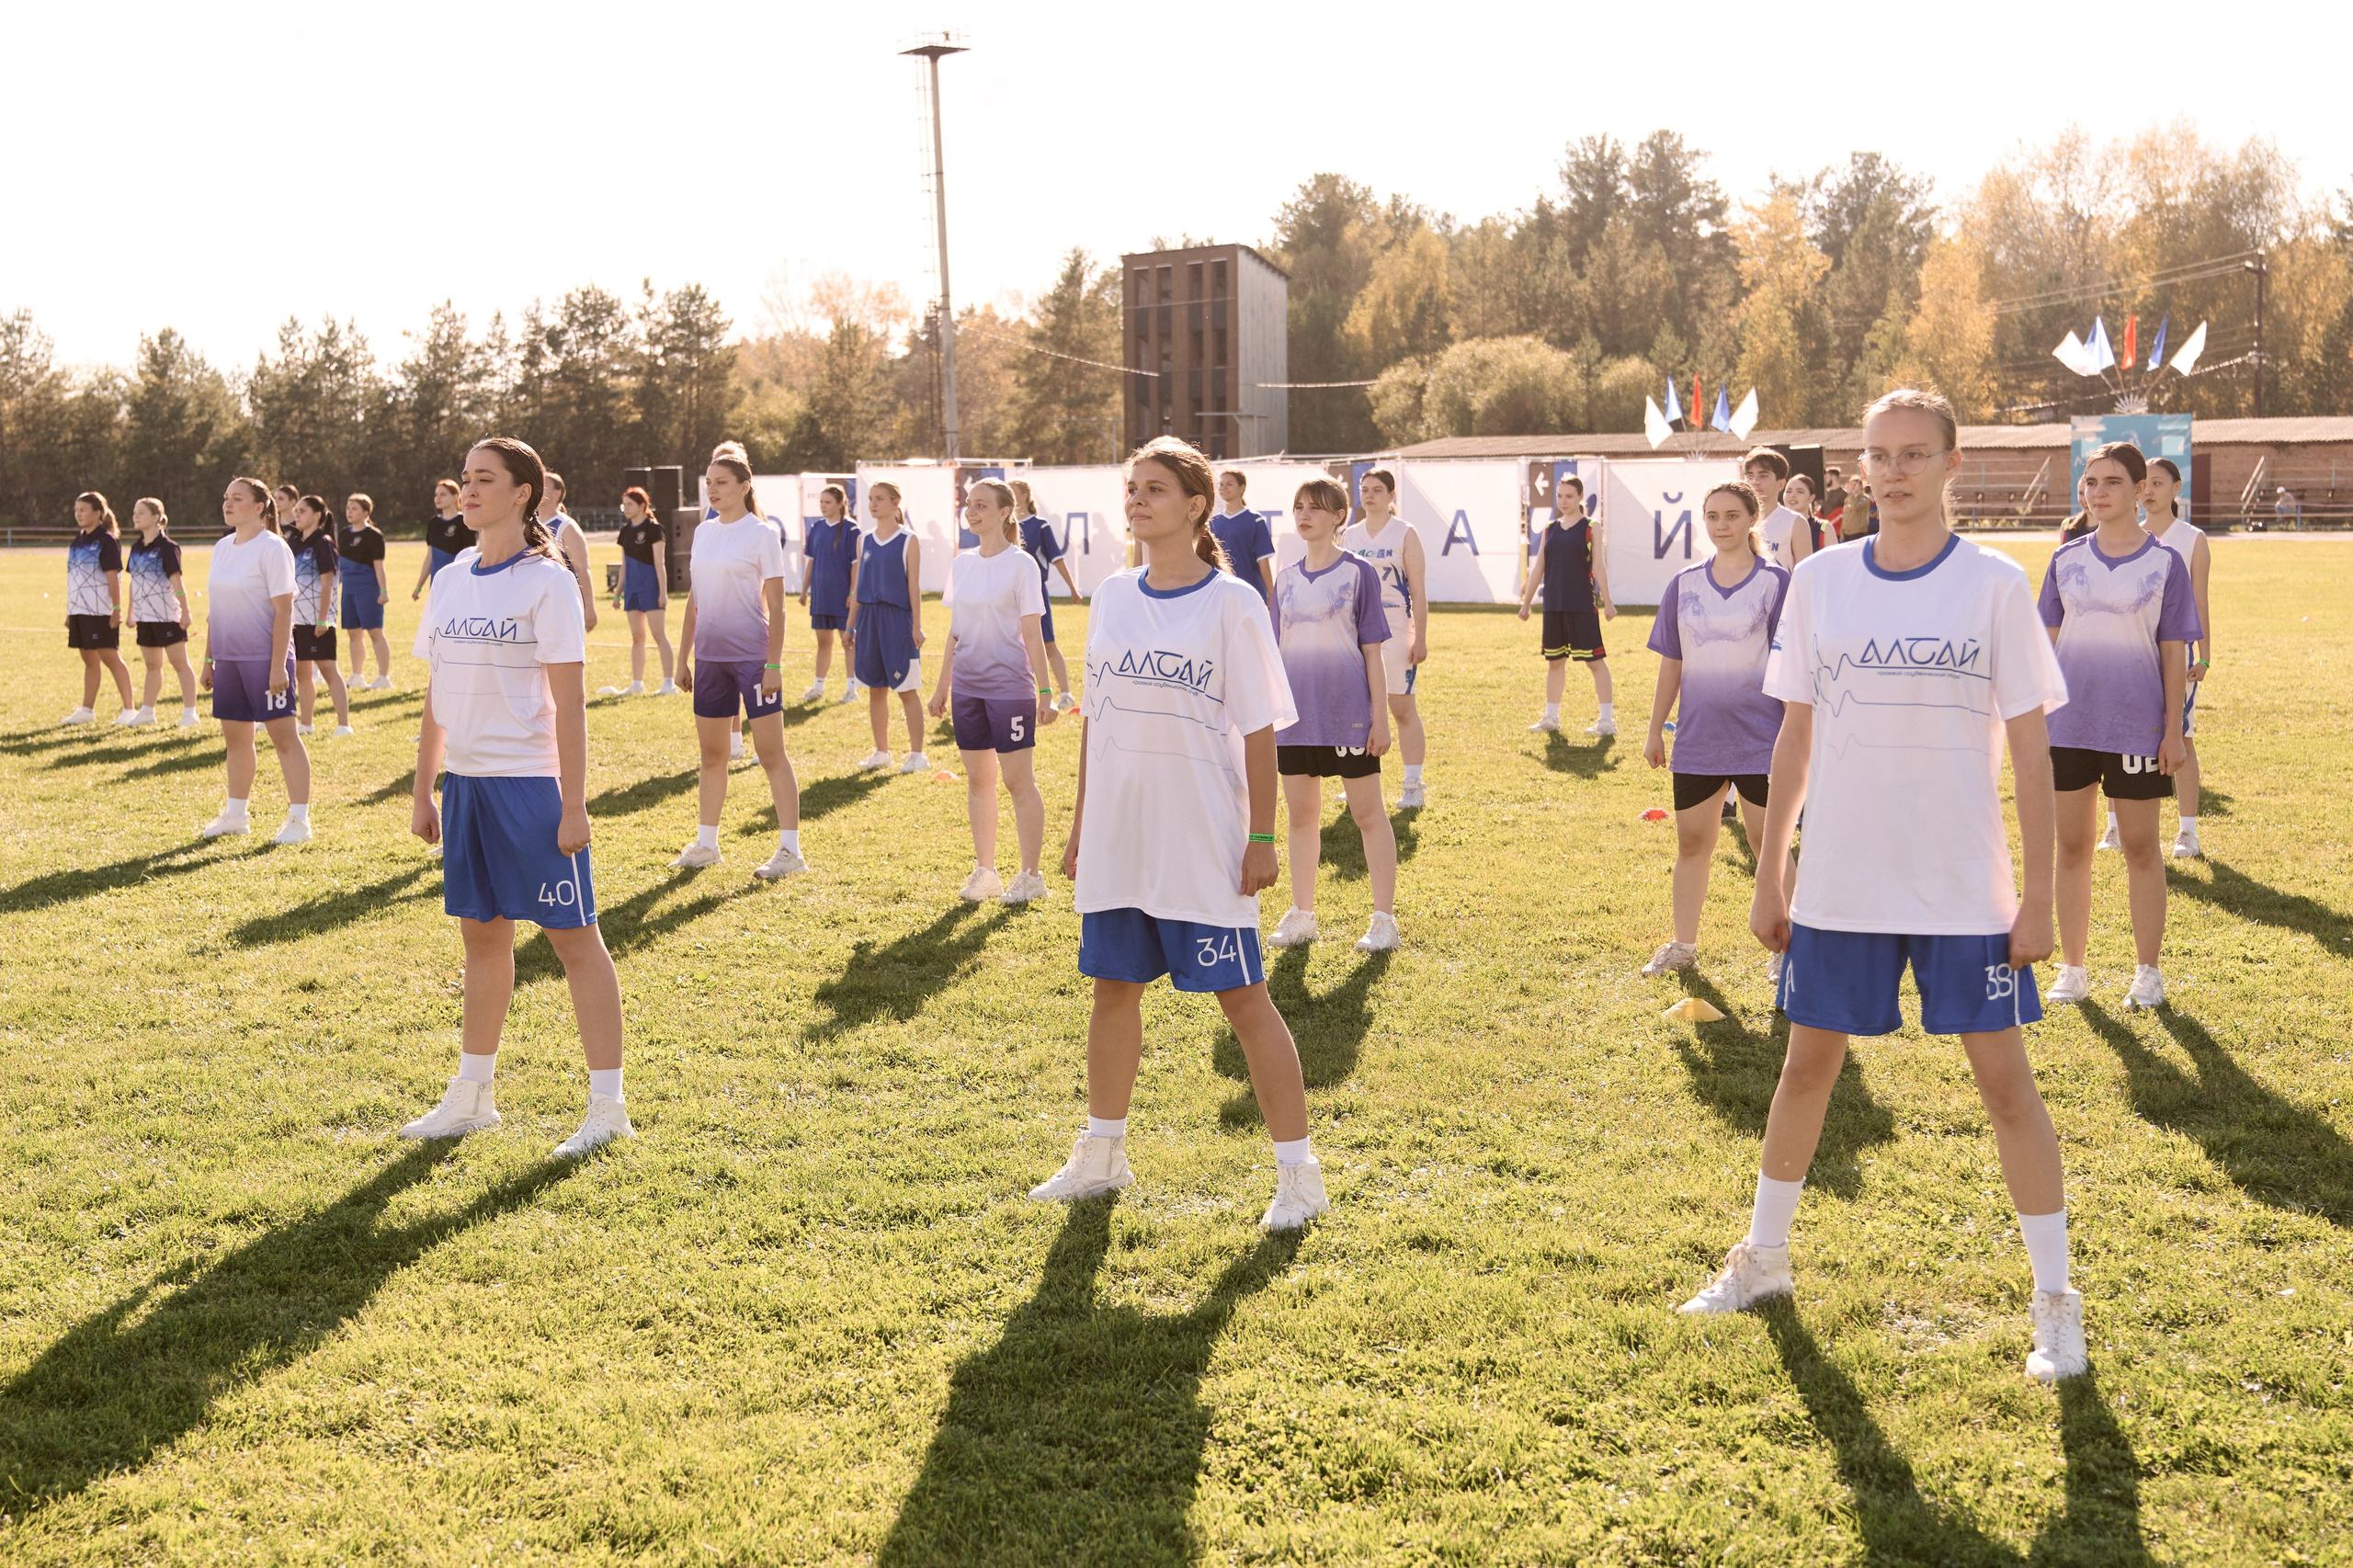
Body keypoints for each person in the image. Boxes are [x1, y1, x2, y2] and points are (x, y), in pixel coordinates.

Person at [1681, 388, 2086, 1388]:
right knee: (1804, 1071)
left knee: (2005, 1088)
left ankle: (2055, 1301)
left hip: (1962, 889)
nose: (1893, 471)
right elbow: (1794, 739)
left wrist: (2037, 898)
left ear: (1953, 464)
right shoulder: (1818, 582)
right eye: (1878, 455)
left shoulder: (1994, 585)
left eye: (1914, 453)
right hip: (1841, 884)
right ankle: (1762, 1259)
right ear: (1860, 468)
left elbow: (2033, 756)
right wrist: (1772, 869)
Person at [1031, 436, 1326, 1231]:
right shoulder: (1112, 595)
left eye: (1154, 489)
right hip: (1122, 830)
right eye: (1131, 488)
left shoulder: (1231, 602)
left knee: (1244, 998)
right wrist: (1083, 824)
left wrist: (1261, 836)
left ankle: (1298, 1175)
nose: (1137, 500)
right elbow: (1098, 717)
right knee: (1113, 989)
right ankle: (1102, 1155)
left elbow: (1262, 731)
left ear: (1195, 507)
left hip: (1202, 834)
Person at [399, 436, 631, 1158]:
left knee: (574, 943)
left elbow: (571, 704)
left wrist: (573, 804)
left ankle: (608, 1107)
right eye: (465, 479)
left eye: (484, 480)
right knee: (482, 938)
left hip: (531, 788)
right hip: (466, 788)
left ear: (522, 492)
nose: (467, 491)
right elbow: (437, 693)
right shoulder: (452, 577)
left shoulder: (547, 581)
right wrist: (424, 788)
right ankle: (473, 1096)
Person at [2039, 441, 2197, 1014]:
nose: (2097, 493)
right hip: (2069, 725)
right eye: (2091, 483)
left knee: (2139, 847)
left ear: (2139, 491)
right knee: (2073, 846)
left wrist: (2172, 730)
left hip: (2135, 727)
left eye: (2111, 483)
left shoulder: (2165, 563)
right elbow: (2045, 645)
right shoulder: (2065, 560)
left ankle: (2147, 972)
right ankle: (2074, 969)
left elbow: (2174, 652)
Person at [1638, 482, 1791, 977]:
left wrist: (1800, 736)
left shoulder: (1776, 582)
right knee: (1692, 844)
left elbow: (1793, 664)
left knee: (1766, 842)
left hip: (1763, 737)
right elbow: (1672, 662)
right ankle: (1682, 946)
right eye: (1712, 516)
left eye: (1731, 515)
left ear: (1752, 520)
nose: (1721, 524)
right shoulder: (1683, 584)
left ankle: (1787, 950)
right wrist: (1656, 728)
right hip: (1699, 737)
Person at [1266, 477, 1397, 954]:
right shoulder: (1284, 578)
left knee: (1367, 814)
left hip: (1349, 717)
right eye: (1299, 506)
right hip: (1295, 719)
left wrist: (1378, 718)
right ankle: (1303, 915)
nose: (1305, 515)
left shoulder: (1359, 573)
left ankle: (1384, 920)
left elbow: (1372, 651)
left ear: (1340, 516)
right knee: (1301, 816)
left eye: (1317, 508)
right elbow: (1274, 651)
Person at [672, 443, 807, 880]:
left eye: (721, 483)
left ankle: (791, 851)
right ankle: (706, 844)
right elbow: (695, 599)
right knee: (712, 754)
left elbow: (778, 607)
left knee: (771, 755)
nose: (712, 490)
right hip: (709, 660)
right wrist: (682, 658)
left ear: (744, 486)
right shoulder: (704, 532)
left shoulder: (762, 534)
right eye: (709, 483)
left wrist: (773, 666)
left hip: (753, 660)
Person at [928, 479, 1060, 903]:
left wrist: (1045, 692)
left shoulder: (1022, 565)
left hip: (1010, 691)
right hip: (968, 690)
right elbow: (955, 633)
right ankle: (986, 873)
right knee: (978, 780)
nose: (972, 511)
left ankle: (1031, 876)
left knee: (1018, 781)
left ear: (1006, 513)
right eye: (969, 504)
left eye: (982, 505)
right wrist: (941, 688)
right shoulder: (962, 564)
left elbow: (1032, 632)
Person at [200, 478, 313, 844]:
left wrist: (279, 666)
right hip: (228, 660)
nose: (228, 504)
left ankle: (300, 820)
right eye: (225, 497)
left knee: (284, 739)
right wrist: (208, 660)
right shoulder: (221, 547)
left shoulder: (273, 548)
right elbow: (214, 611)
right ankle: (236, 815)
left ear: (260, 506)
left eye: (237, 498)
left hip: (265, 660)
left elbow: (285, 612)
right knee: (236, 740)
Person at [1343, 468, 1429, 806]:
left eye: (1377, 490)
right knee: (1359, 707)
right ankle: (1360, 779)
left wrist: (1420, 638)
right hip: (1356, 631)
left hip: (1395, 627)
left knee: (1401, 707)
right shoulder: (1349, 535)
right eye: (1364, 489)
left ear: (1392, 496)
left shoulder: (1405, 533)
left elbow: (1419, 592)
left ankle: (1413, 784)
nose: (1369, 495)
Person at [2138, 459, 2211, 858]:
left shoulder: (2192, 538)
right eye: (2144, 484)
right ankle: (2115, 827)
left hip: (2177, 653)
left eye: (2158, 483)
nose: (2149, 491)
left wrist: (2206, 657)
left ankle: (2188, 832)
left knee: (2181, 736)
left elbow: (2200, 601)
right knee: (2125, 737)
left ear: (2176, 488)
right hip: (2133, 650)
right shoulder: (2128, 534)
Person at [1517, 474, 1617, 735]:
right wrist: (1526, 604)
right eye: (1560, 496)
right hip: (1554, 604)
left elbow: (1598, 566)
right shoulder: (1550, 528)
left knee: (1595, 662)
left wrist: (1608, 602)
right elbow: (1539, 566)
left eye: (1569, 496)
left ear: (1580, 497)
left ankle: (1607, 721)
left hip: (1581, 603)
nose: (1563, 501)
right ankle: (1551, 717)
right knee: (1555, 662)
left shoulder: (1591, 526)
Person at [850, 480, 927, 773]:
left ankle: (917, 754)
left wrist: (916, 626)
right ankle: (881, 752)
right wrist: (850, 626)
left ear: (896, 503)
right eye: (870, 499)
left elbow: (914, 585)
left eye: (879, 499)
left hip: (898, 620)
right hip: (868, 620)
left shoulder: (909, 539)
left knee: (907, 689)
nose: (872, 504)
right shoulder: (864, 539)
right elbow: (859, 586)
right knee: (875, 689)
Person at [60, 492, 136, 727]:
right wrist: (70, 612)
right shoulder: (78, 540)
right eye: (76, 510)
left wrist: (116, 609)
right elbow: (75, 578)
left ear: (98, 513)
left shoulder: (107, 541)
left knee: (110, 658)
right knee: (88, 659)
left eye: (83, 510)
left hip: (100, 611)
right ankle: (87, 709)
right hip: (79, 611)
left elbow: (114, 577)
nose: (78, 514)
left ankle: (129, 709)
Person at [125, 498, 199, 728]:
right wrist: (131, 612)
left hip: (167, 616)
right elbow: (133, 583)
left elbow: (177, 582)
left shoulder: (168, 548)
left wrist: (185, 613)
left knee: (180, 664)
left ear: (157, 517)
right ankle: (147, 711)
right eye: (135, 512)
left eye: (142, 513)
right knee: (151, 665)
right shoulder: (136, 548)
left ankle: (190, 713)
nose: (136, 516)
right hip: (144, 617)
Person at [284, 495, 353, 739]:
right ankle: (306, 724)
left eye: (302, 511)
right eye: (296, 511)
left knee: (328, 670)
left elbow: (328, 585)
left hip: (318, 621)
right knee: (302, 674)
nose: (297, 515)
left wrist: (323, 619)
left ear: (317, 515)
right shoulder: (294, 543)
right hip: (296, 620)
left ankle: (344, 725)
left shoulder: (324, 543)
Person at [1010, 478, 1081, 710]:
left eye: (1012, 491)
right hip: (1009, 594)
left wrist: (1072, 587)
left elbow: (1057, 558)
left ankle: (1066, 694)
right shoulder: (1005, 525)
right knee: (1012, 644)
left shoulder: (1039, 525)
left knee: (1047, 643)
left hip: (1035, 591)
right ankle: (1019, 694)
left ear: (1023, 496)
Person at [601, 486, 676, 698]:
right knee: (637, 637)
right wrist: (617, 593)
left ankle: (669, 684)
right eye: (623, 504)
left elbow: (660, 563)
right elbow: (624, 565)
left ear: (643, 505)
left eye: (630, 504)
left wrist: (663, 592)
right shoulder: (625, 531)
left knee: (659, 635)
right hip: (632, 589)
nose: (625, 508)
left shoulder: (654, 529)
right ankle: (637, 683)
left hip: (651, 588)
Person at [798, 483, 858, 702]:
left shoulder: (852, 529)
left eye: (828, 502)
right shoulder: (817, 528)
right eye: (821, 502)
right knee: (823, 643)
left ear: (841, 503)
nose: (823, 506)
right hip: (821, 597)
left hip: (843, 597)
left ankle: (852, 690)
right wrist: (804, 591)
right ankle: (818, 688)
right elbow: (811, 562)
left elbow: (856, 565)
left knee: (848, 642)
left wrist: (852, 593)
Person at [337, 494, 393, 690]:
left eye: (354, 508)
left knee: (375, 632)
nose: (349, 511)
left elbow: (379, 566)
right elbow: (340, 565)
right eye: (348, 508)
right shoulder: (344, 534)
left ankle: (383, 678)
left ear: (366, 512)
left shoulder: (374, 536)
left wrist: (383, 591)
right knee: (353, 634)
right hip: (349, 590)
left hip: (368, 588)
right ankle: (357, 675)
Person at [536, 471, 599, 635]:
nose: (538, 488)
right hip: (536, 600)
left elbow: (582, 569)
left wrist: (589, 607)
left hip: (561, 601)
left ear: (557, 493)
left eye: (544, 486)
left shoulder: (566, 526)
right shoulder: (531, 524)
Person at [1210, 468, 1278, 601]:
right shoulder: (1214, 522)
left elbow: (1263, 560)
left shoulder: (1254, 520)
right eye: (1221, 484)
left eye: (1229, 484)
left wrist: (1271, 594)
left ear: (1242, 488)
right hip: (1221, 594)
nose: (1224, 488)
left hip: (1251, 592)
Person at [1745, 448, 1812, 569]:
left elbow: (1806, 575)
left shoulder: (1795, 523)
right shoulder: (1739, 520)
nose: (1755, 481)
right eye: (1750, 475)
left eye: (1763, 476)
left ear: (1781, 484)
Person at [414, 478, 474, 598]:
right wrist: (419, 587)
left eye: (443, 494)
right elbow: (430, 557)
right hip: (436, 583)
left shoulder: (464, 522)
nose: (437, 498)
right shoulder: (434, 523)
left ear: (456, 496)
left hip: (457, 583)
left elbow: (470, 556)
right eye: (436, 495)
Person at [1782, 473, 1826, 552]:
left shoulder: (1823, 528)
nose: (1792, 495)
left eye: (1800, 492)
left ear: (1811, 498)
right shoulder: (1775, 524)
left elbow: (1834, 562)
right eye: (1788, 491)